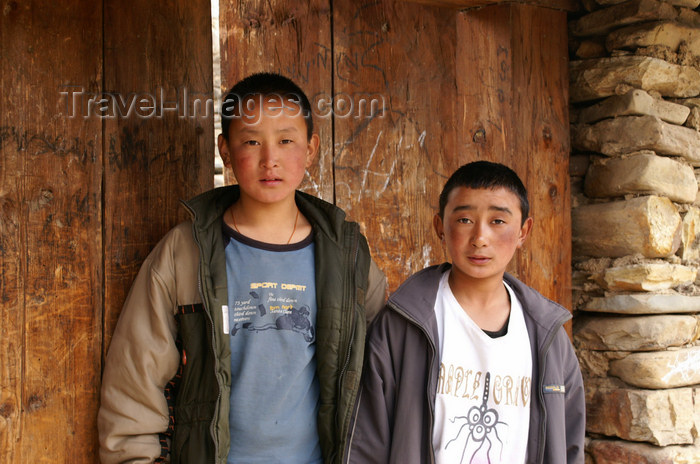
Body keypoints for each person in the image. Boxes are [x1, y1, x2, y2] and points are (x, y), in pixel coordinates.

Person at [98, 72, 386, 464]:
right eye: (252, 141)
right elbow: (135, 378)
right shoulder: (187, 252)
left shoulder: (347, 258)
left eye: (286, 141)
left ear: (312, 148)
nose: (271, 159)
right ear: (225, 151)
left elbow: (379, 384)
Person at [347, 161, 585, 463]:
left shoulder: (547, 336)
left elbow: (570, 442)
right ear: (440, 227)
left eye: (498, 221)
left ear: (524, 231)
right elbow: (367, 440)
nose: (480, 237)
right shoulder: (402, 325)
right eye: (464, 220)